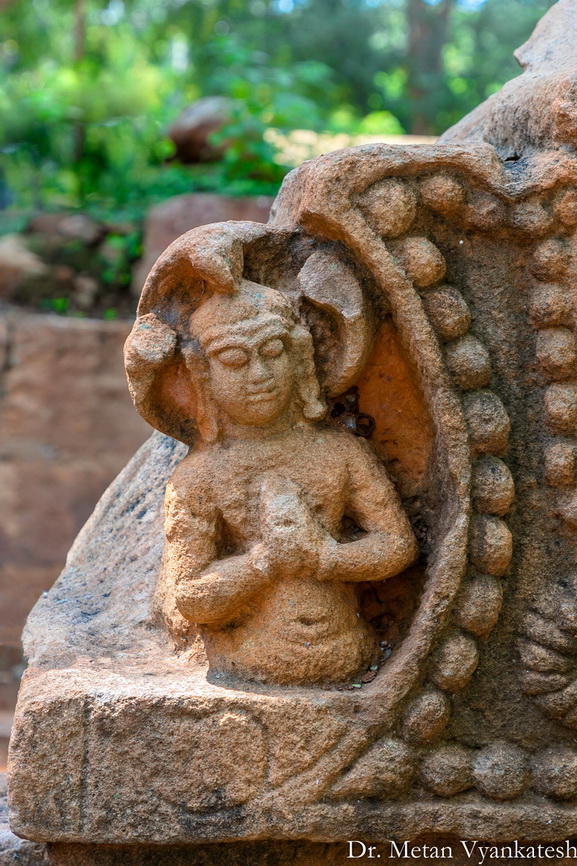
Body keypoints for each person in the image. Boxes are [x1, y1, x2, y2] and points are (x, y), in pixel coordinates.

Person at [162, 278, 418, 686]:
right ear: (203, 373)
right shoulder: (200, 477)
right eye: (233, 359)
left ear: (299, 357)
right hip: (251, 654)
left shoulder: (339, 453)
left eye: (273, 352)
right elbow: (191, 594)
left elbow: (397, 545)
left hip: (348, 645)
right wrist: (261, 564)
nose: (259, 374)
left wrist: (326, 557)